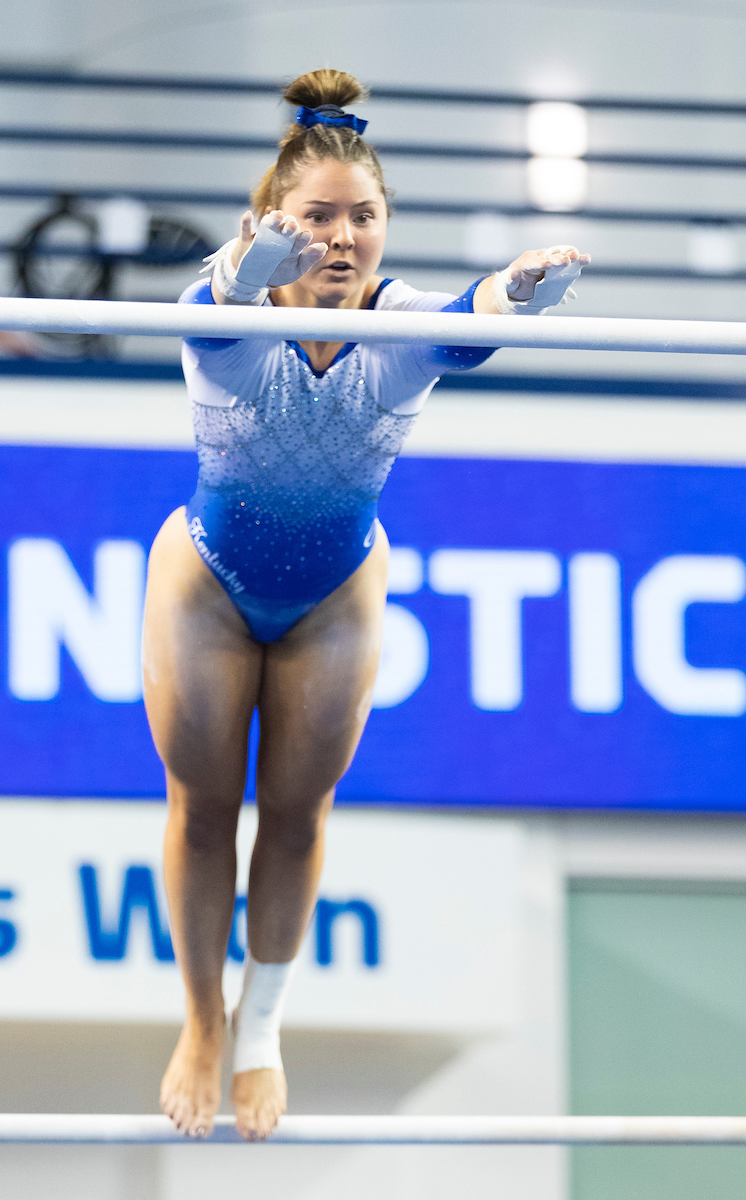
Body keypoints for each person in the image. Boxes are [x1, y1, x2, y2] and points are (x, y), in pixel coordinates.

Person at [143, 67, 590, 1142]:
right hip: (207, 583)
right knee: (203, 808)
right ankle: (201, 1022)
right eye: (318, 218)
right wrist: (249, 271)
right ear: (272, 222)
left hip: (335, 593)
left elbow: (465, 325)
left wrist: (514, 292)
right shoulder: (228, 314)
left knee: (298, 813)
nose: (343, 239)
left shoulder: (396, 328)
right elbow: (213, 316)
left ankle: (260, 1029)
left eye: (364, 218)